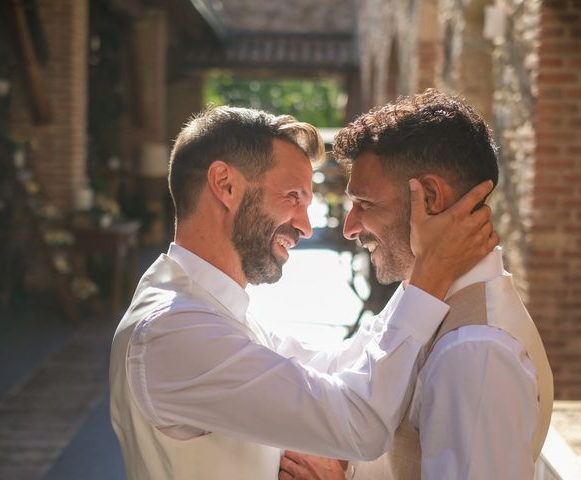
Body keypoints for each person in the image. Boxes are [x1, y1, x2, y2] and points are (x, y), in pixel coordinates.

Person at [109, 105, 498, 480]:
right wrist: (430, 275)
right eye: (293, 197)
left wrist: (421, 269)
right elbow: (360, 426)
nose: (305, 226)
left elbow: (339, 363)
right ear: (225, 186)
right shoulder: (173, 331)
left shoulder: (210, 310)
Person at [279, 90, 553, 480]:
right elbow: (343, 367)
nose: (350, 227)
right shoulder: (425, 295)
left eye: (366, 204)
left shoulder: (475, 351)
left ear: (429, 197)